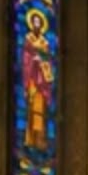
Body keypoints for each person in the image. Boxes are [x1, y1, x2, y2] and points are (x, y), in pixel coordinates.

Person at [21, 8, 54, 150]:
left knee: (41, 109)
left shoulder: (44, 42)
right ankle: (30, 138)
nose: (36, 24)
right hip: (33, 79)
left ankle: (41, 139)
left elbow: (48, 60)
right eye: (34, 21)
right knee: (31, 107)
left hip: (42, 80)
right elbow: (25, 58)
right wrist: (32, 60)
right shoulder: (28, 39)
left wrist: (42, 60)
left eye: (38, 22)